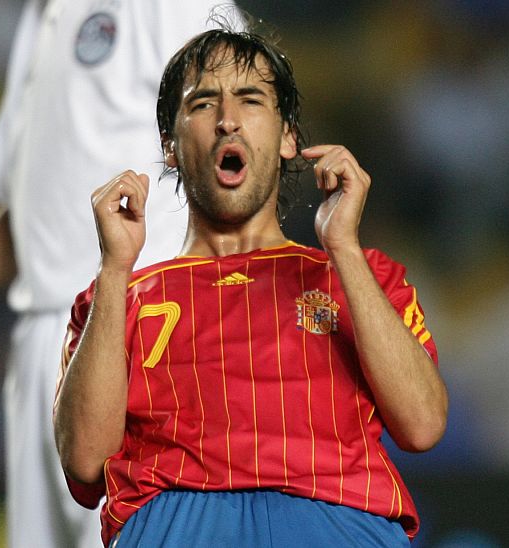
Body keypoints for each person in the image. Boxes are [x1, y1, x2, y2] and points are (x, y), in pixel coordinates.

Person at [53, 25, 448, 547]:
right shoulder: (116, 299)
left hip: (339, 524)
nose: (227, 119)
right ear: (170, 146)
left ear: (287, 137)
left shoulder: (362, 277)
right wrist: (113, 269)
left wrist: (345, 248)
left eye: (250, 99)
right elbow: (85, 462)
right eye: (203, 103)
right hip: (178, 530)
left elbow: (423, 425)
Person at [0, 2, 237, 547]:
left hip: (142, 333)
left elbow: (242, 156)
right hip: (43, 339)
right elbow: (31, 210)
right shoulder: (43, 18)